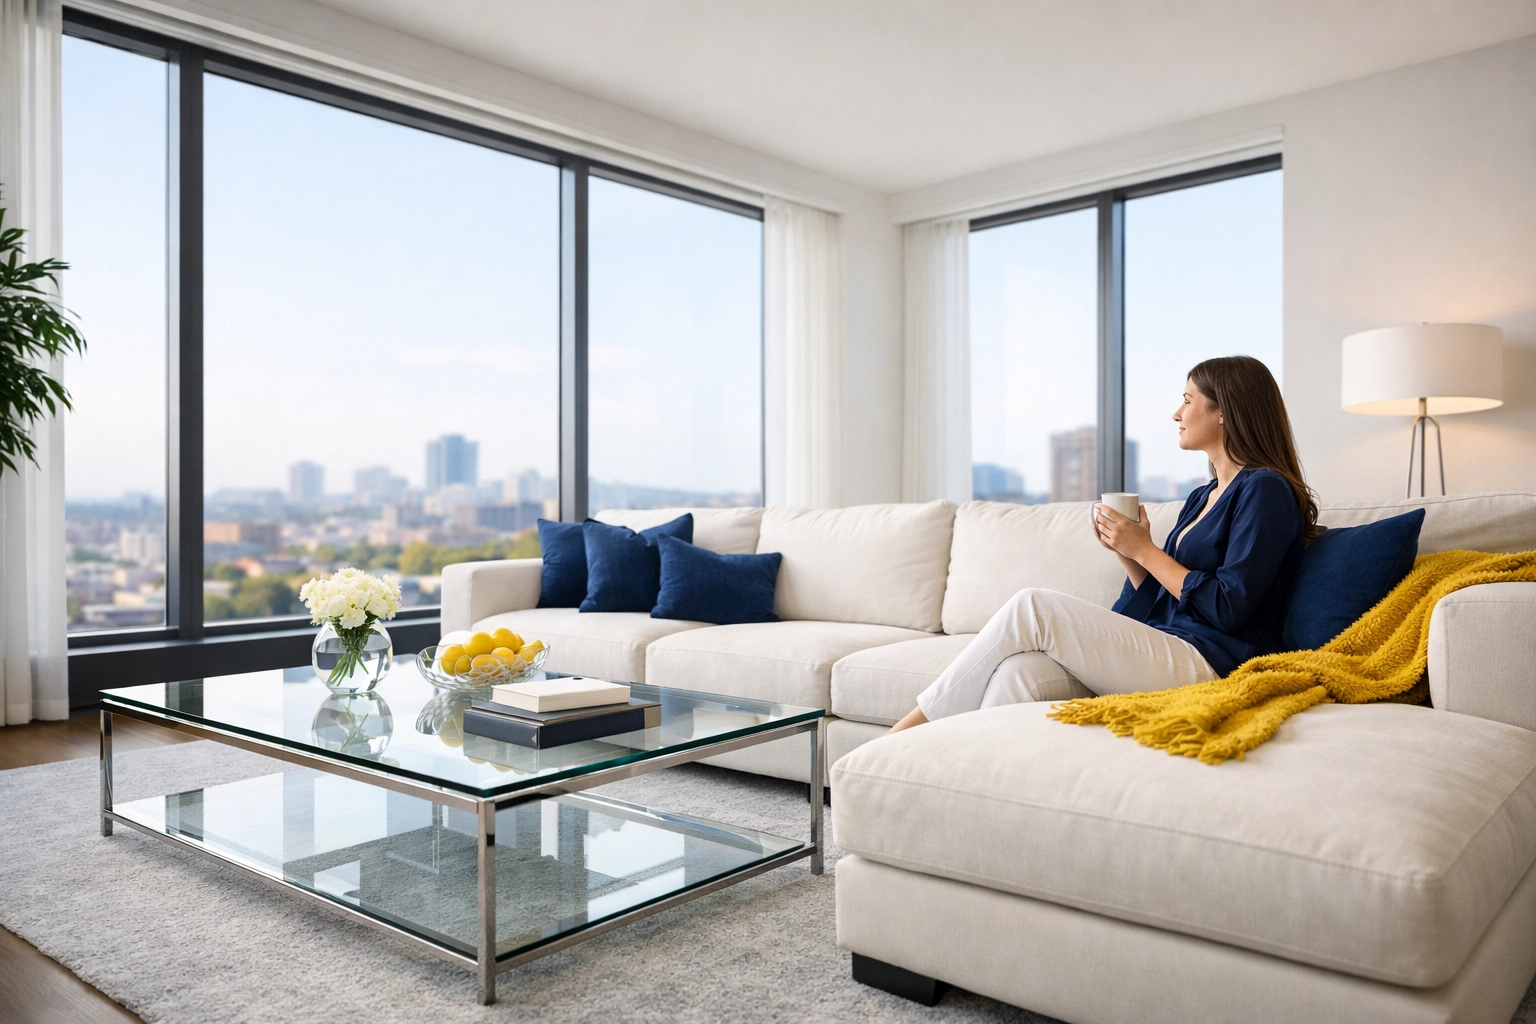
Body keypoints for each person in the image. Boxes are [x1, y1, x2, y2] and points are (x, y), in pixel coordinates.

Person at [888, 355, 1318, 733]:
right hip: (1168, 644)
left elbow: (1228, 606)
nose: (1176, 413)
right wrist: (1129, 553)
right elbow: (1162, 601)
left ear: (1224, 410)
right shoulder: (1202, 497)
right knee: (1018, 673)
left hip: (1214, 663)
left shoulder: (1264, 489)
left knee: (1032, 606)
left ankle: (905, 735)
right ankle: (970, 780)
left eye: (1187, 400)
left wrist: (1146, 551)